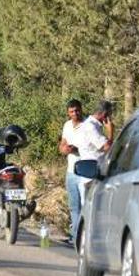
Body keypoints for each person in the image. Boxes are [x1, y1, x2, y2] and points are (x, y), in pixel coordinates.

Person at [74, 100, 114, 204]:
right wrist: (110, 132)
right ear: (105, 115)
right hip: (92, 178)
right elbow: (106, 147)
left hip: (96, 175)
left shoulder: (94, 126)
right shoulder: (90, 127)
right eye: (110, 115)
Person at [58, 99, 84, 243]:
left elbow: (93, 148)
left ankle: (82, 236)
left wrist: (76, 149)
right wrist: (64, 149)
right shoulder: (67, 125)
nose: (75, 113)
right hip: (71, 172)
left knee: (85, 206)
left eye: (77, 110)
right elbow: (62, 143)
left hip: (85, 172)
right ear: (68, 113)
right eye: (72, 111)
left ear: (81, 109)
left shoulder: (88, 126)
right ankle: (75, 236)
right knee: (74, 206)